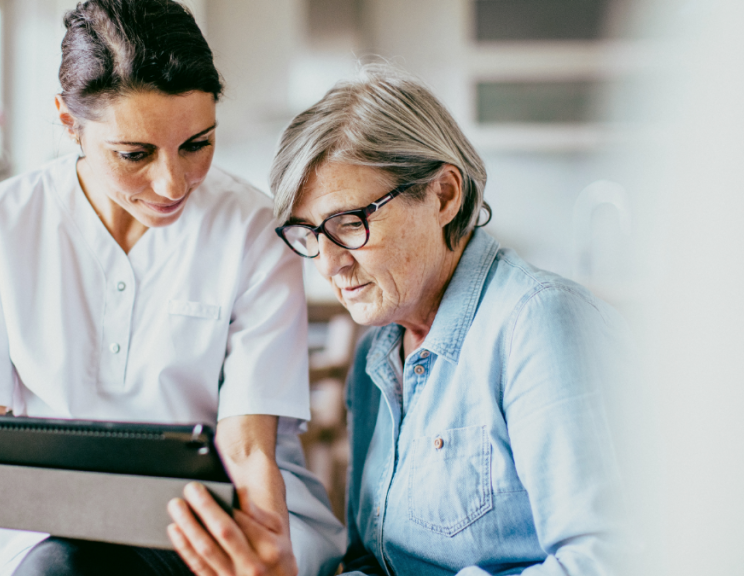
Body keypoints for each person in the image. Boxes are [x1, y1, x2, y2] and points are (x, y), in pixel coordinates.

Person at [0, 1, 344, 575]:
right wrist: (96, 511)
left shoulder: (252, 228)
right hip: (57, 532)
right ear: (67, 122)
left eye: (197, 144)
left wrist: (264, 552)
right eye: (135, 154)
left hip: (228, 514)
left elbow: (249, 447)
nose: (172, 182)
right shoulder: (2, 222)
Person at [265, 64, 632, 575]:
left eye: (350, 223)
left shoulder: (538, 323)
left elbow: (607, 562)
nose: (328, 263)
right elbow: (374, 559)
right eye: (308, 234)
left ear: (444, 195)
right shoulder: (379, 354)